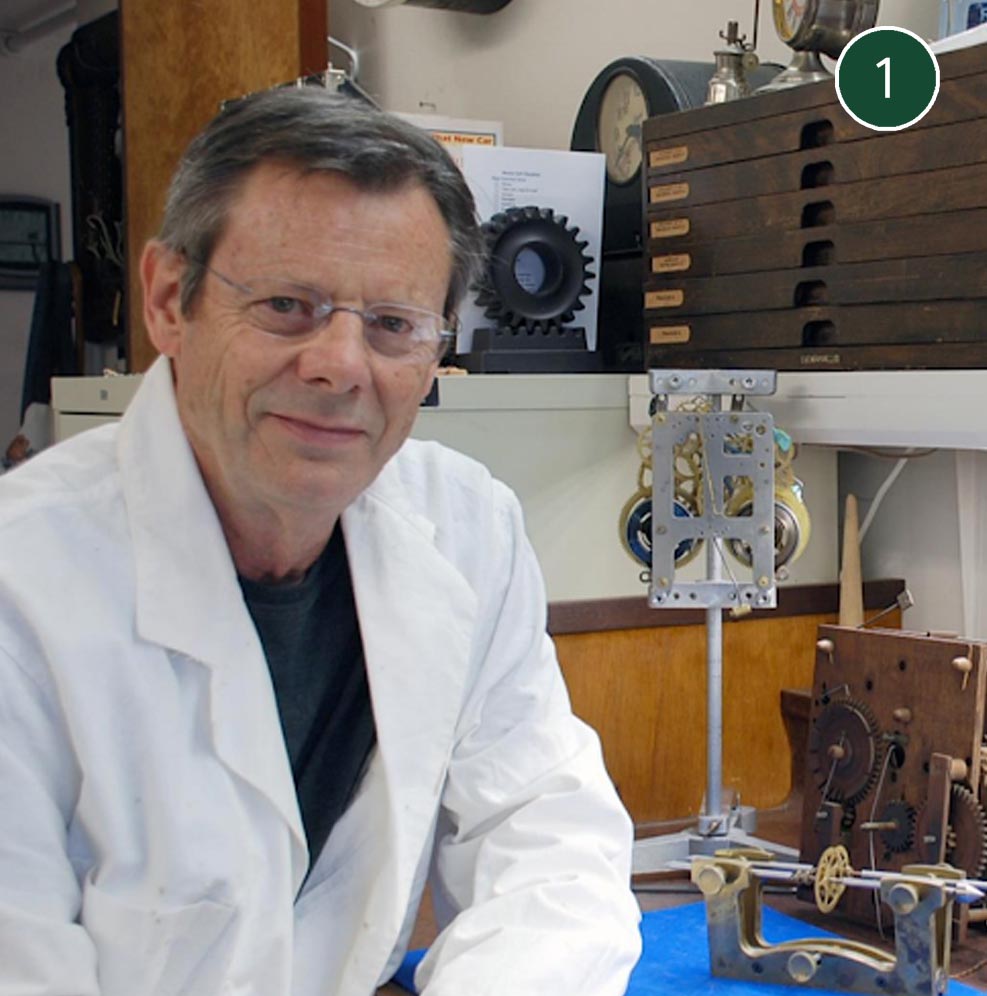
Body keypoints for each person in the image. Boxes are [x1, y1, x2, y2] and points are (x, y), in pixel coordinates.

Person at [0, 88, 641, 996]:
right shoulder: (20, 585)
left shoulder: (465, 530)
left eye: (393, 325)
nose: (341, 365)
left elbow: (544, 835)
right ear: (167, 300)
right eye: (287, 305)